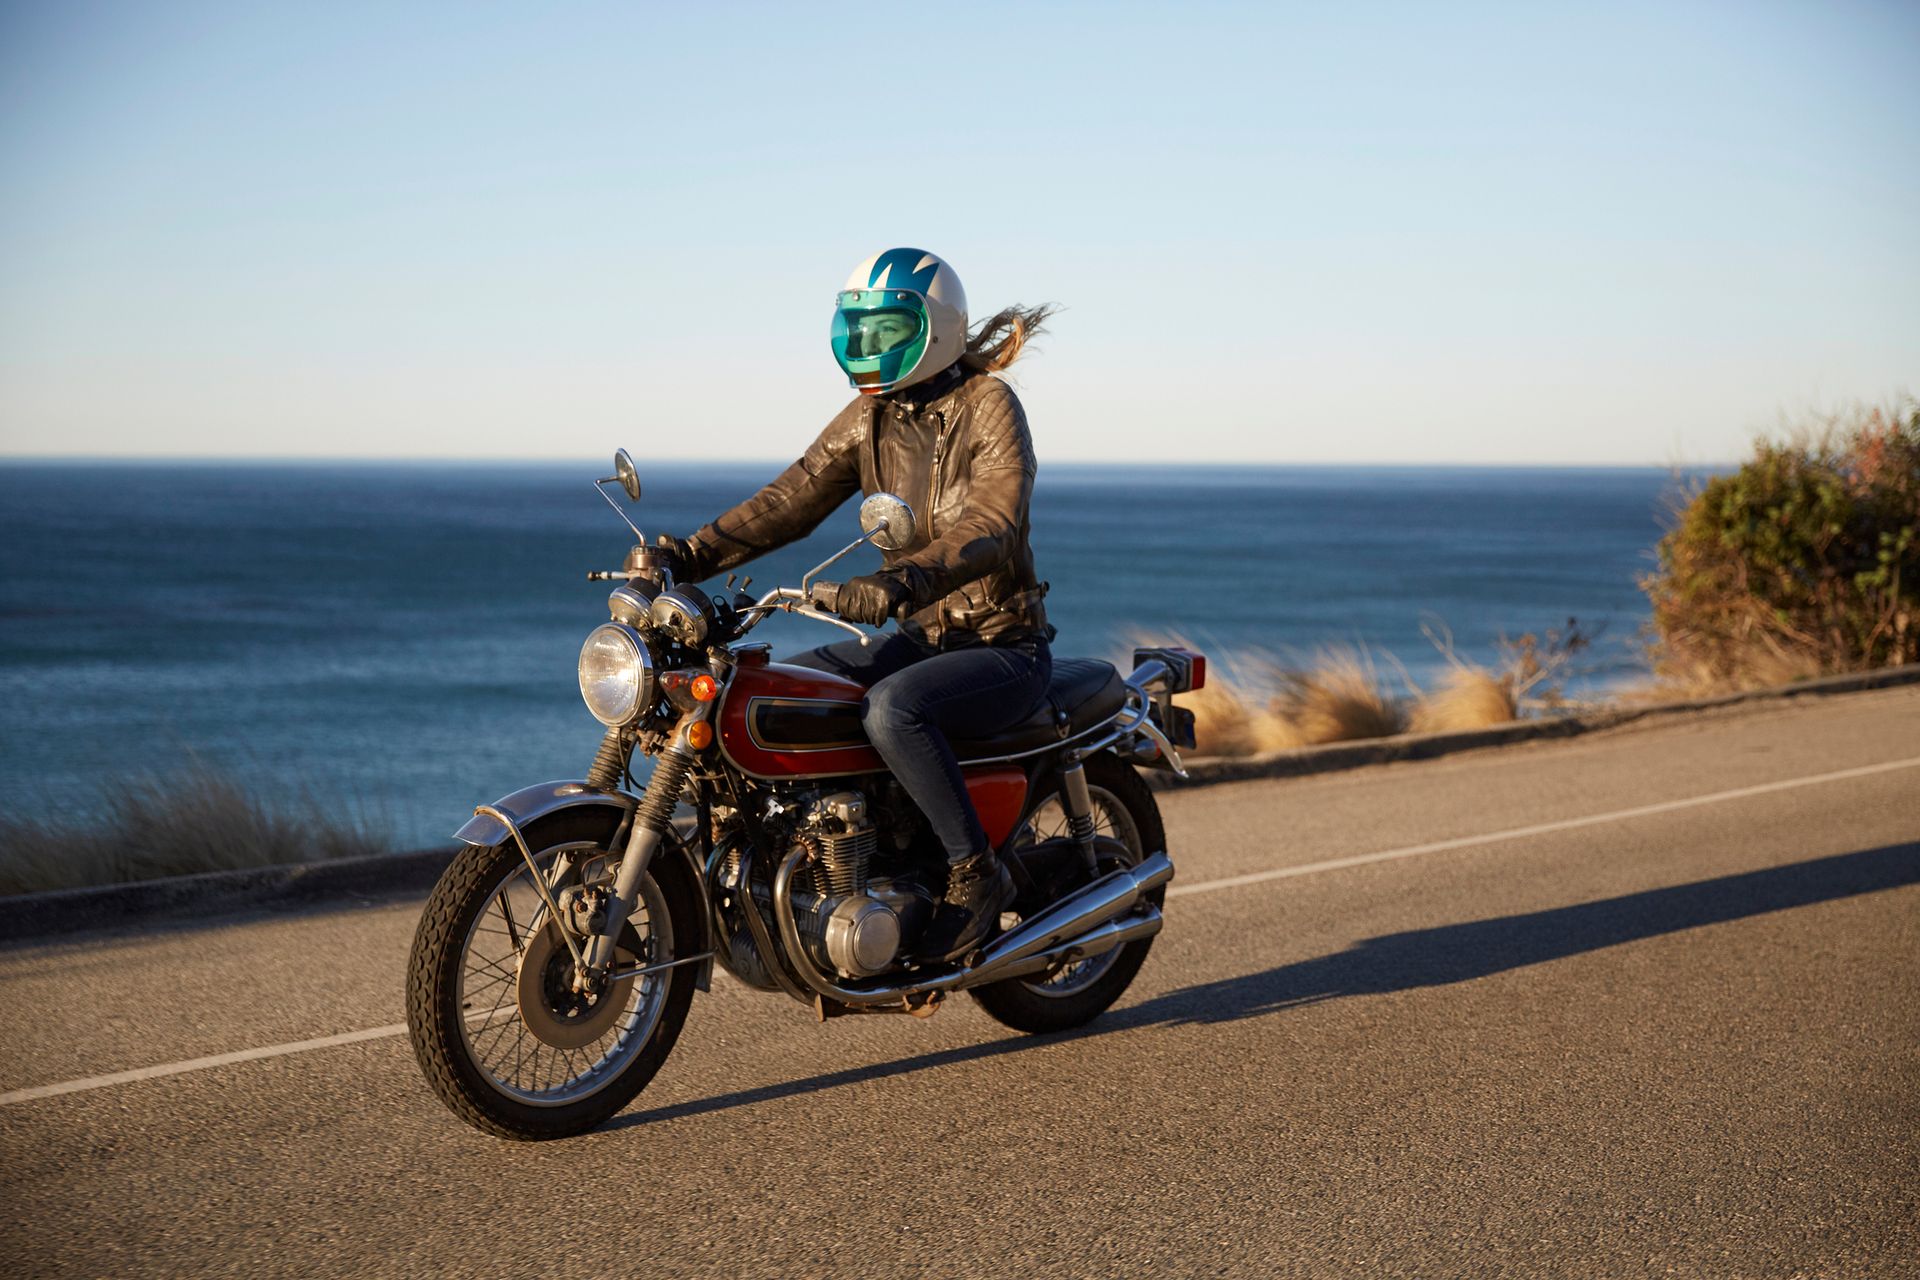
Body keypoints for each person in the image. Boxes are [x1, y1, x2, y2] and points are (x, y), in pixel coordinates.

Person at [661, 248, 1056, 960]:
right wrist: (687, 556)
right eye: (859, 331)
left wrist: (902, 582)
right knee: (785, 691)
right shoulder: (870, 415)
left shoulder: (988, 406)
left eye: (884, 330)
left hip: (999, 645)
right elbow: (791, 499)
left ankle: (974, 875)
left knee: (892, 710)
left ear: (934, 329)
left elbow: (991, 524)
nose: (867, 347)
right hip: (919, 639)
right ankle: (827, 862)